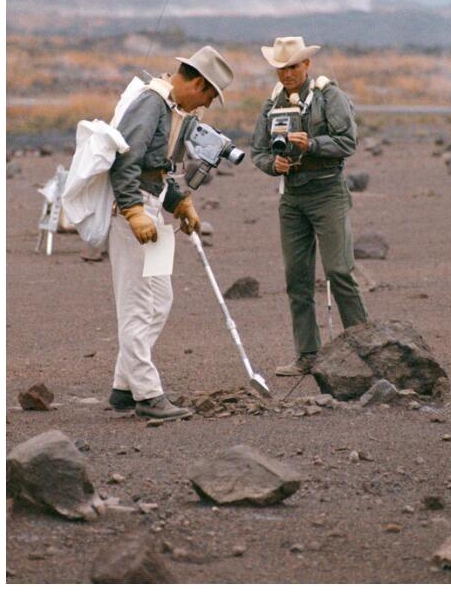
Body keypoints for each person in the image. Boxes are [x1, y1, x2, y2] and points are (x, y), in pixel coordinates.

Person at [107, 46, 234, 420]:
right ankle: (148, 394)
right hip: (136, 213)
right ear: (197, 82)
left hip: (154, 207)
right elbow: (125, 160)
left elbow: (156, 169)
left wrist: (179, 202)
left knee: (159, 299)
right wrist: (132, 210)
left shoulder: (169, 108)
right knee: (137, 305)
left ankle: (123, 387)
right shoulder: (151, 103)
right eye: (208, 96)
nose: (206, 106)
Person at [250, 36, 368, 376]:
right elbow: (258, 150)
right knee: (297, 280)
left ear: (306, 65)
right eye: (280, 68)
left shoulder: (330, 96)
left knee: (339, 272)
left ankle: (365, 348)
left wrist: (312, 144)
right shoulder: (271, 104)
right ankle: (307, 355)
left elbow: (348, 142)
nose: (285, 74)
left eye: (291, 67)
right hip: (291, 197)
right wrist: (274, 165)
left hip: (327, 191)